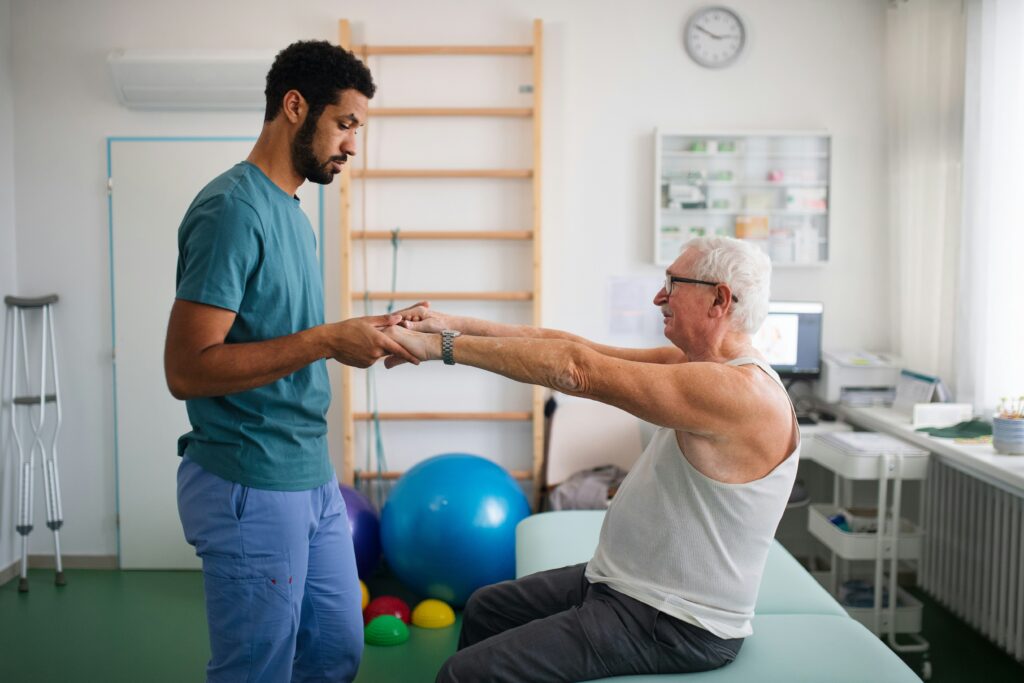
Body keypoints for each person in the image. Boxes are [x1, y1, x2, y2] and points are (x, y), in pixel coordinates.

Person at [387, 236, 799, 682]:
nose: (659, 297)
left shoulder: (741, 394)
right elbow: (565, 344)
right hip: (625, 585)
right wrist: (446, 325)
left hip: (674, 620)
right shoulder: (700, 369)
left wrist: (438, 349)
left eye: (673, 283)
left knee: (461, 675)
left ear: (719, 299)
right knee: (487, 607)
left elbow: (575, 368)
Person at [163, 40, 419, 683]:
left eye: (358, 127)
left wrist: (368, 334)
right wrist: (331, 340)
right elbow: (187, 369)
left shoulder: (294, 215)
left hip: (310, 471)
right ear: (295, 107)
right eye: (345, 123)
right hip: (247, 478)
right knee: (255, 669)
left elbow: (286, 337)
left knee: (336, 650)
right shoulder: (232, 210)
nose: (353, 144)